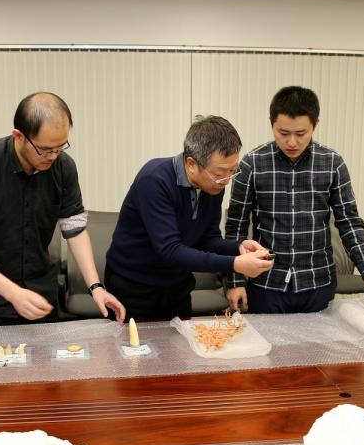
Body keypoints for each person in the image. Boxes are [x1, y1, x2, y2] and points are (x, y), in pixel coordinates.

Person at [0, 92, 125, 326]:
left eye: (60, 147)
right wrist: (13, 293)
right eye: (45, 149)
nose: (53, 156)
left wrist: (96, 287)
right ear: (19, 136)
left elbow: (75, 229)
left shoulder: (63, 167)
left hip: (41, 293)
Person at [225, 86, 364, 314]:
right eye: (283, 133)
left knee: (318, 339)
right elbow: (236, 227)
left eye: (301, 134)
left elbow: (349, 223)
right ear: (271, 124)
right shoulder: (252, 164)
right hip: (267, 283)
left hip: (317, 282)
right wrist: (234, 281)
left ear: (315, 124)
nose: (292, 142)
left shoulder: (332, 164)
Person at [105, 116, 273, 320]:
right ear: (191, 163)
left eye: (232, 171)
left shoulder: (213, 186)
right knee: (134, 341)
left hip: (177, 285)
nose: (227, 181)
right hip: (134, 285)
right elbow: (170, 250)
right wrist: (234, 263)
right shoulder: (154, 180)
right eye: (220, 173)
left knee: (182, 340)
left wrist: (238, 247)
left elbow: (208, 239)